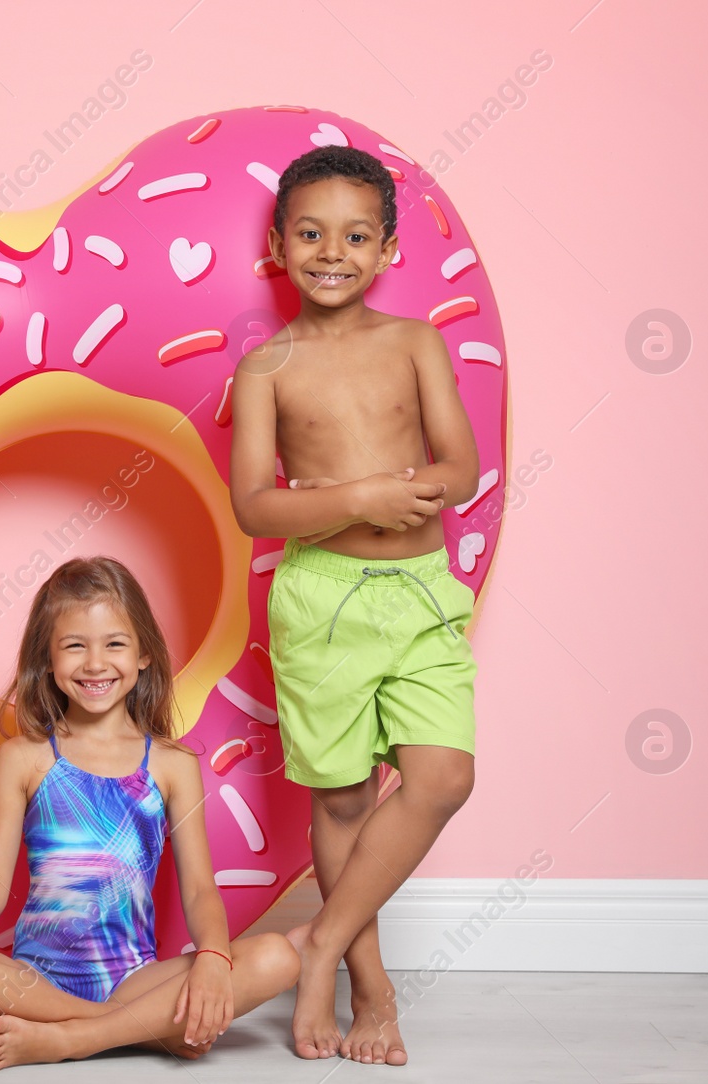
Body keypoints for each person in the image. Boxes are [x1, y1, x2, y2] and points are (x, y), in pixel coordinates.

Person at [228, 145, 482, 1065]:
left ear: (386, 250)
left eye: (356, 235)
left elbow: (460, 466)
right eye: (310, 233)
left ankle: (322, 944)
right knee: (341, 801)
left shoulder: (416, 342)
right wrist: (358, 500)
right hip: (321, 600)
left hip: (420, 591)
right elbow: (254, 504)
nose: (331, 252)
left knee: (442, 776)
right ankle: (370, 990)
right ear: (278, 244)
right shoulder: (265, 369)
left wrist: (412, 495)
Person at [0, 557, 299, 1070]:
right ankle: (132, 1030)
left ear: (143, 656)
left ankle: (71, 1040)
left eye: (114, 643)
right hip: (37, 981)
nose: (96, 663)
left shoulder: (173, 765)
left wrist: (212, 958)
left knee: (278, 957)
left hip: (134, 978)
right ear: (46, 660)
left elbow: (202, 890)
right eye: (75, 645)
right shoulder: (25, 758)